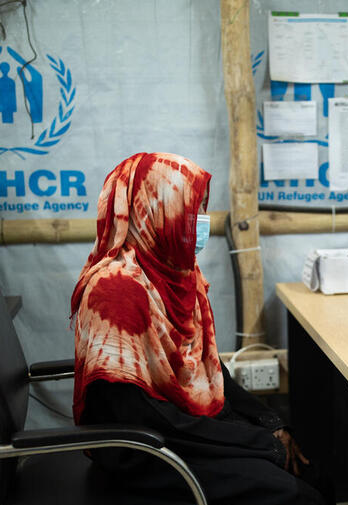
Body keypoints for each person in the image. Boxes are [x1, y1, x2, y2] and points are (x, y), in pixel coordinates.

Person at [70, 152, 332, 504]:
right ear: (154, 212)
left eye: (200, 210)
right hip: (148, 451)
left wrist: (270, 423)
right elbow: (140, 415)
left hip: (185, 426)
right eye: (189, 210)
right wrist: (254, 443)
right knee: (297, 494)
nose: (199, 222)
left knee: (314, 469)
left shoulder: (178, 274)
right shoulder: (115, 291)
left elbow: (209, 368)